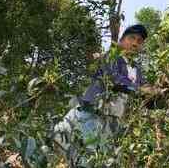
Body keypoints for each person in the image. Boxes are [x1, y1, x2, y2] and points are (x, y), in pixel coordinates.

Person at [52, 24, 162, 167]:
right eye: (132, 38)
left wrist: (159, 94)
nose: (135, 43)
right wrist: (141, 90)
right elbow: (114, 80)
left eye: (140, 41)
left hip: (111, 122)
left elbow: (148, 99)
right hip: (90, 112)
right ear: (122, 41)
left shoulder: (137, 71)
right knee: (58, 138)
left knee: (90, 160)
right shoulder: (112, 56)